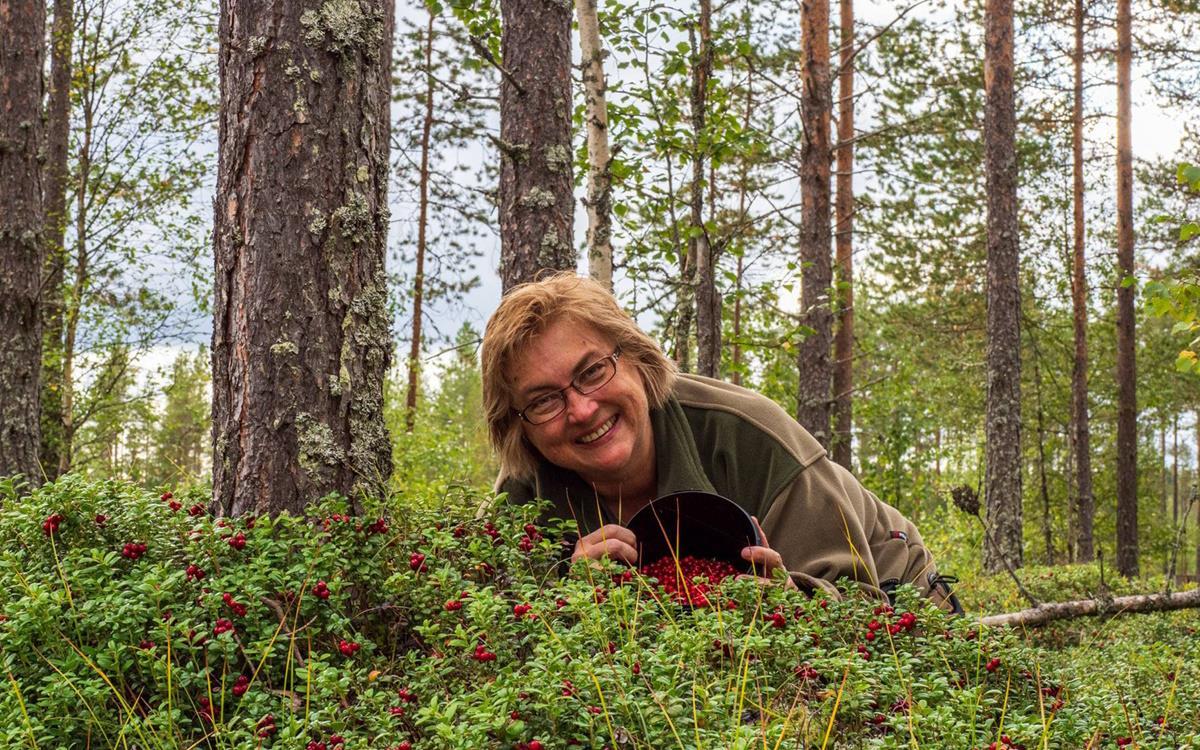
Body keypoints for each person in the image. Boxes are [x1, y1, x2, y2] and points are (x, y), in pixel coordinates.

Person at [481, 273, 957, 609]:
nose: (582, 409)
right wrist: (568, 594)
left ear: (637, 359)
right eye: (543, 401)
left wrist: (790, 602)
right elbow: (481, 612)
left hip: (897, 593)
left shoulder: (748, 435)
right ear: (518, 425)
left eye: (592, 371)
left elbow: (858, 608)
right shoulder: (524, 494)